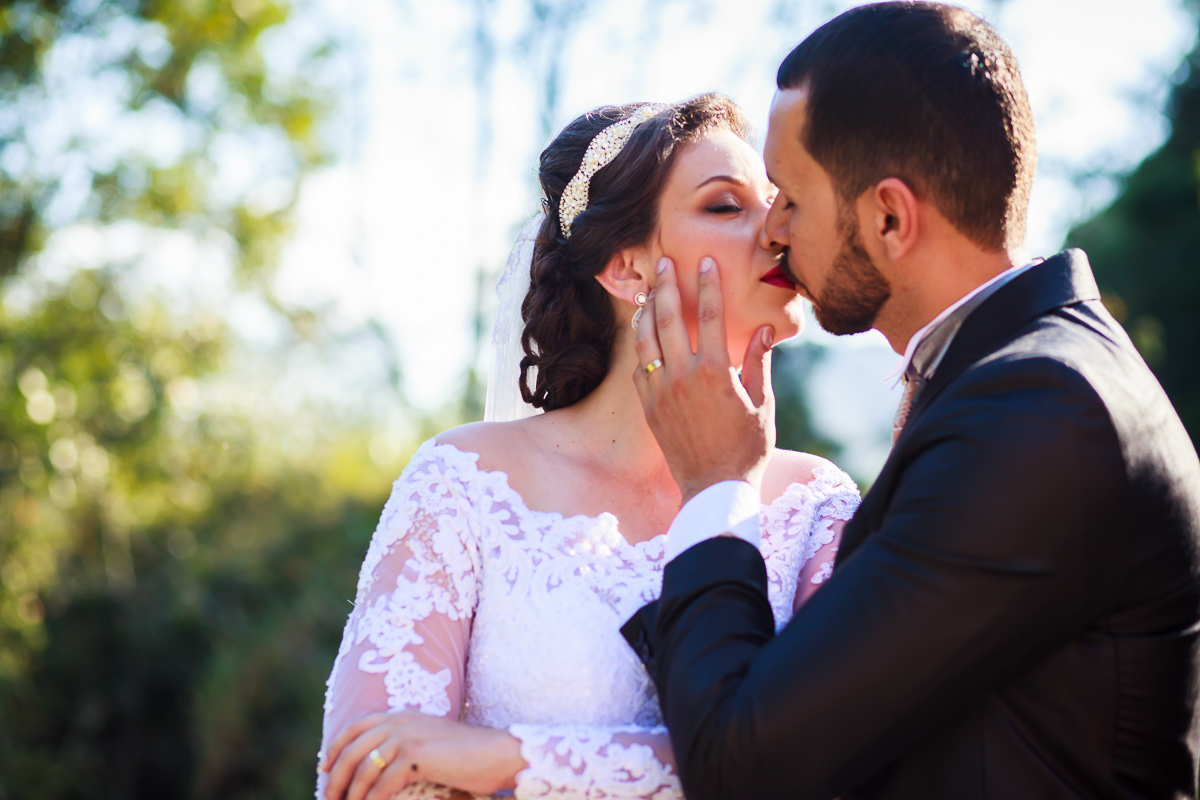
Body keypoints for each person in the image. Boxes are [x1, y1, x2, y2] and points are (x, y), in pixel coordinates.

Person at [622, 3, 1200, 799]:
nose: (775, 230)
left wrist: (717, 483)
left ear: (889, 216)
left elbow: (742, 765)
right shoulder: (1007, 381)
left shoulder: (1040, 415)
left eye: (790, 196)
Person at [315, 93, 862, 800]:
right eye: (727, 206)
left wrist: (505, 758)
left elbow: (835, 763)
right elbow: (371, 775)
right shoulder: (466, 483)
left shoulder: (819, 505)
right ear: (627, 268)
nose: (779, 231)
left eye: (776, 201)